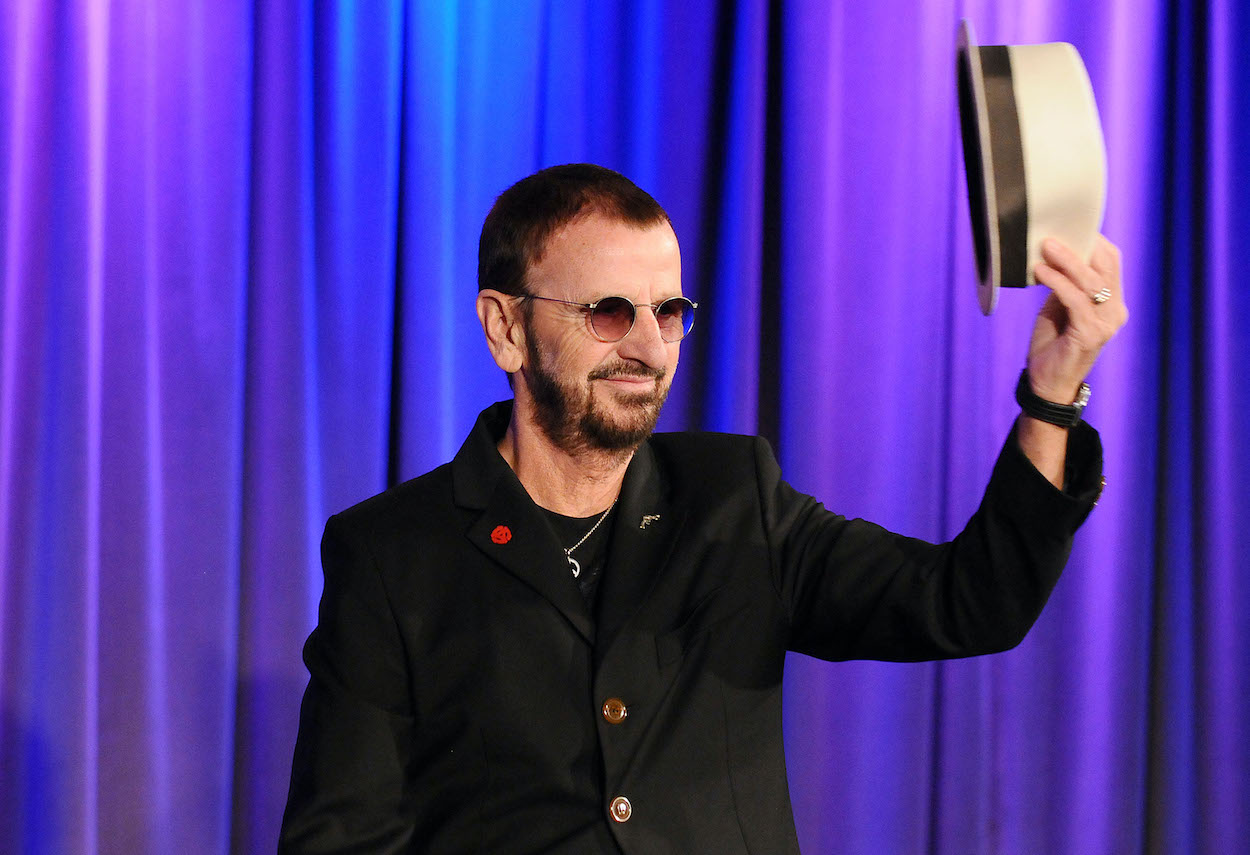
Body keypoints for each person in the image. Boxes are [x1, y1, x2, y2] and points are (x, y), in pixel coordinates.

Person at [279, 163, 1125, 853]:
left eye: (670, 312)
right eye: (608, 312)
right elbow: (342, 838)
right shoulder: (393, 553)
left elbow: (969, 603)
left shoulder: (733, 500)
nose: (649, 345)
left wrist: (1050, 397)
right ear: (506, 329)